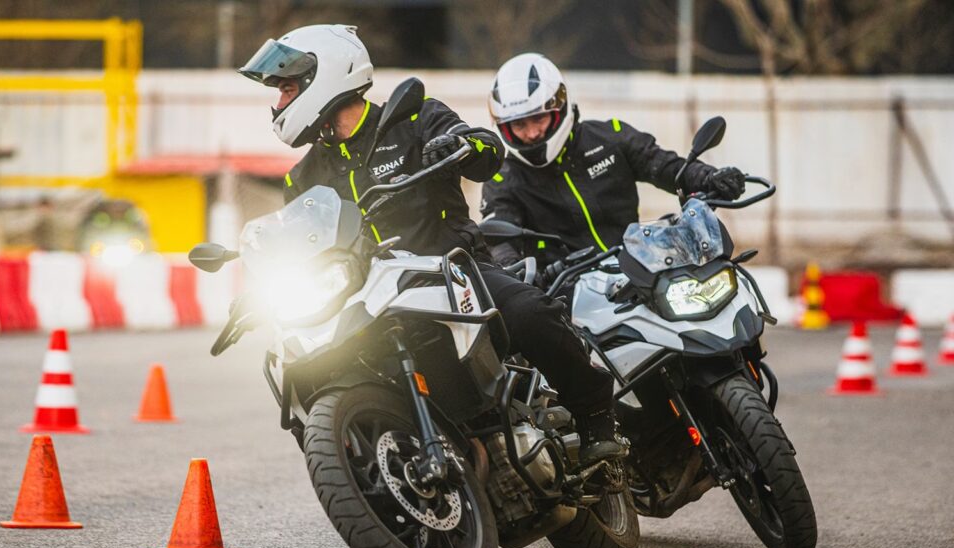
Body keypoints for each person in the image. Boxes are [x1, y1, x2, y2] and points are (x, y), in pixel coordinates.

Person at [239, 25, 627, 465]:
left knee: (528, 312)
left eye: (287, 89)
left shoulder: (414, 119)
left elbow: (487, 151)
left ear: (324, 75)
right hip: (370, 294)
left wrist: (464, 144)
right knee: (299, 364)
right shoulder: (302, 178)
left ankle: (596, 412)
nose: (280, 104)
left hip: (453, 270)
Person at [482, 53, 746, 268]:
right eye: (519, 124)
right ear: (505, 128)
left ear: (558, 108)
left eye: (538, 119)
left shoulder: (609, 138)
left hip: (638, 272)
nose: (531, 133)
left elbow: (666, 166)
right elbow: (498, 237)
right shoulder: (503, 177)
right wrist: (513, 269)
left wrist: (709, 178)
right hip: (562, 297)